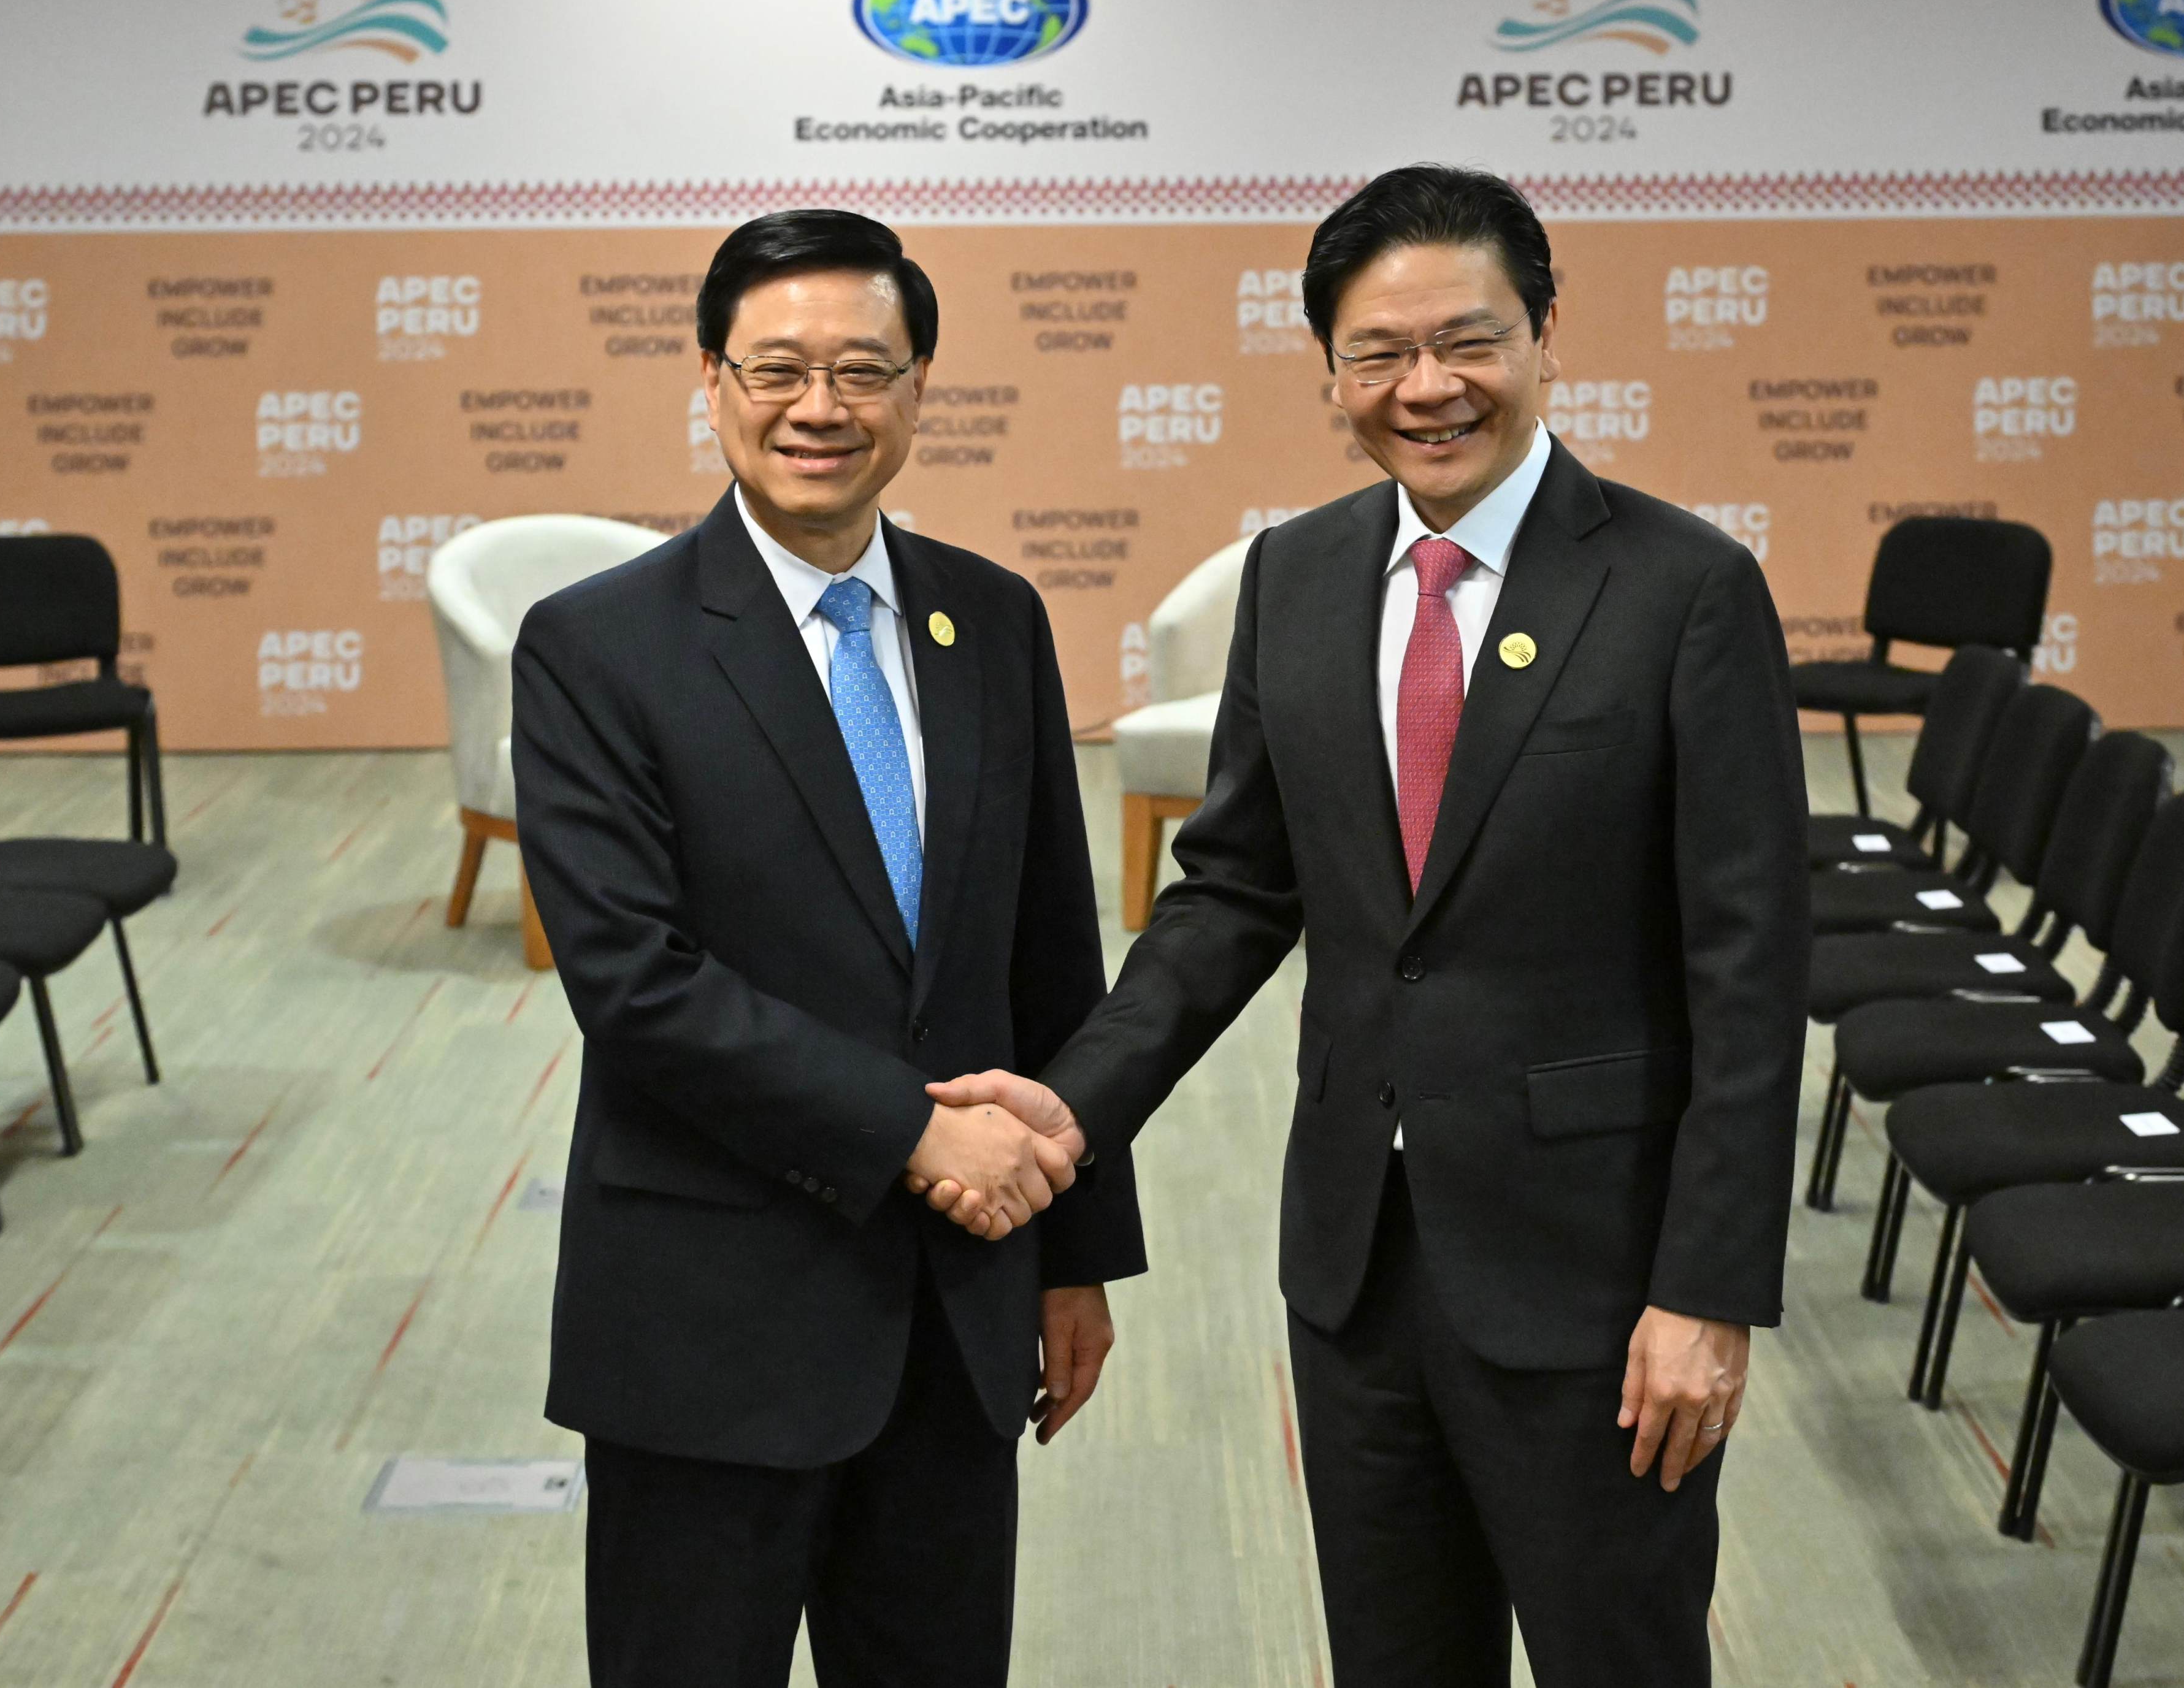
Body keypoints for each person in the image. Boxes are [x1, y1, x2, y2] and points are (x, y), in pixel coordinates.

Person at [920, 165, 1807, 1686]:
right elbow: (1237, 889)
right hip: (1355, 1261)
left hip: (1591, 1282)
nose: (1427, 387)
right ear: (1327, 371)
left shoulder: (1684, 591)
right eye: (1377, 353)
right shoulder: (1302, 573)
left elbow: (1747, 971)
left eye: (1467, 341)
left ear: (1542, 337)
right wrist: (1071, 1108)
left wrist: (1704, 1294)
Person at [512, 208, 1145, 1688]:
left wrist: (1075, 1257)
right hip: (707, 1325)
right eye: (777, 369)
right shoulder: (601, 645)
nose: (819, 409)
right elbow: (633, 983)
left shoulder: (991, 619)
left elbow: (1051, 952)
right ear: (713, 384)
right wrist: (919, 1138)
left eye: (862, 370)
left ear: (919, 390)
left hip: (959, 1312)